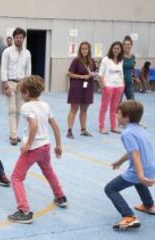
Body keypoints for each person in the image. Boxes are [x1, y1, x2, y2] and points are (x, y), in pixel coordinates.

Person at [8, 75, 67, 224]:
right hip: (45, 146)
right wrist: (58, 145)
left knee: (16, 177)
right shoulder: (45, 105)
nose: (21, 95)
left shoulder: (26, 106)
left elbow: (33, 125)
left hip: (33, 149)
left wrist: (28, 144)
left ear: (26, 92)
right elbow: (55, 125)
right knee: (48, 171)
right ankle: (60, 196)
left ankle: (24, 211)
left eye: (21, 92)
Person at [104, 100, 155, 230]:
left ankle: (128, 216)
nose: (117, 115)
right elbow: (133, 151)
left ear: (126, 117)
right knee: (137, 181)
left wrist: (141, 175)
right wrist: (120, 161)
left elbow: (136, 154)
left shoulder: (126, 133)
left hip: (141, 169)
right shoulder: (139, 129)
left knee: (110, 189)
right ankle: (149, 205)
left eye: (119, 113)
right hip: (151, 166)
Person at [1, 27, 32, 145]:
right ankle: (13, 136)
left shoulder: (27, 53)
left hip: (22, 84)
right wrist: (5, 85)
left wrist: (27, 86)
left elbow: (28, 70)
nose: (19, 39)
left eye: (21, 37)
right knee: (12, 110)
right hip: (10, 82)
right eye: (17, 37)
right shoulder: (7, 52)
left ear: (23, 39)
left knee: (19, 110)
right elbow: (3, 68)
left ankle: (14, 133)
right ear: (13, 38)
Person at [66, 41, 97, 139]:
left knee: (84, 110)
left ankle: (83, 129)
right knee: (73, 109)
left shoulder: (92, 61)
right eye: (82, 48)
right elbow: (69, 74)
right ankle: (69, 131)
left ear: (89, 50)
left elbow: (94, 71)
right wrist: (82, 76)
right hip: (76, 87)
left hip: (87, 87)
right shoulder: (76, 60)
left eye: (86, 48)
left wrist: (93, 74)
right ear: (80, 50)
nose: (84, 50)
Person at [98, 41, 125, 134]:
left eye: (118, 48)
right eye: (114, 48)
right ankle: (101, 126)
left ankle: (113, 126)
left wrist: (122, 84)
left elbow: (121, 74)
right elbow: (100, 74)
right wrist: (103, 86)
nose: (116, 50)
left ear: (121, 50)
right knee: (104, 107)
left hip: (119, 87)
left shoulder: (121, 60)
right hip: (108, 87)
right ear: (111, 49)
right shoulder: (106, 59)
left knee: (114, 108)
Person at [122, 35, 140, 100]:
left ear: (131, 45)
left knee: (132, 102)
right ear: (123, 46)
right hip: (119, 83)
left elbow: (132, 68)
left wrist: (135, 77)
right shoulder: (119, 56)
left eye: (128, 44)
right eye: (125, 44)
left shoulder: (133, 57)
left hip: (129, 83)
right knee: (117, 103)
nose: (127, 46)